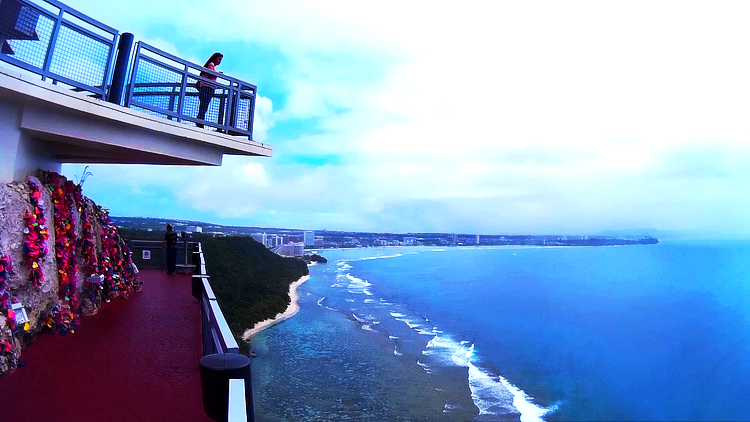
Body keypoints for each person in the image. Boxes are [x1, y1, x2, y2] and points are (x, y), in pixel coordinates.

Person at [196, 52, 223, 128]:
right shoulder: (211, 64)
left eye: (220, 60)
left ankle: (200, 121)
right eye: (219, 59)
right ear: (214, 58)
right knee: (204, 106)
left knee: (204, 106)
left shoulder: (212, 65)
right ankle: (199, 122)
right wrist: (218, 74)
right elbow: (211, 74)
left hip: (208, 88)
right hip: (206, 88)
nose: (219, 61)